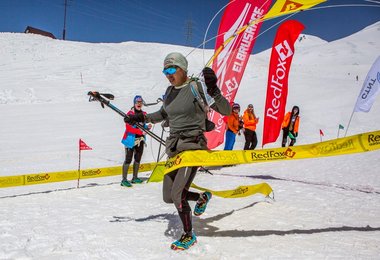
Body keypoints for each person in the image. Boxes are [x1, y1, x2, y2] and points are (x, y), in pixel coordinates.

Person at [124, 52, 231, 250]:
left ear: (183, 68)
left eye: (171, 69)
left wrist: (214, 89)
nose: (168, 74)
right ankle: (201, 196)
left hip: (192, 146)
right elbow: (163, 114)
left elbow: (227, 111)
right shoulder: (170, 91)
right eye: (165, 70)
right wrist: (141, 118)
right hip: (174, 147)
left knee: (177, 193)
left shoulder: (197, 87)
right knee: (168, 195)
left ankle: (188, 234)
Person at [120, 95, 151, 187]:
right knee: (128, 159)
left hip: (140, 140)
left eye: (140, 102)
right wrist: (140, 131)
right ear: (134, 103)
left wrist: (147, 127)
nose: (139, 104)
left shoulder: (143, 114)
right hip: (130, 140)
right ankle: (124, 180)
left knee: (138, 159)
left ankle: (135, 177)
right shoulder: (130, 114)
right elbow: (129, 128)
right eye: (137, 102)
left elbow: (142, 125)